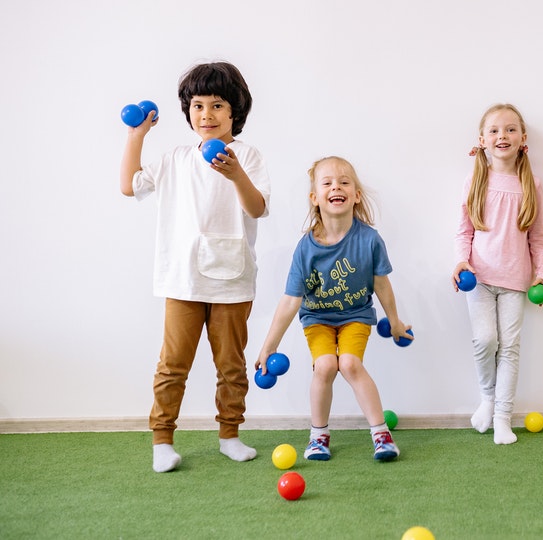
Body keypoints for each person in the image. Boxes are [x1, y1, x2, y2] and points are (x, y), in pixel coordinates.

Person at [119, 62, 270, 472]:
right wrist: (137, 135)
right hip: (182, 280)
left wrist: (236, 174)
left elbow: (257, 208)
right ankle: (162, 441)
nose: (206, 114)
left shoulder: (247, 156)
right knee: (173, 365)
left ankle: (229, 436)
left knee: (231, 365)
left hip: (233, 280)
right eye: (198, 105)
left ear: (235, 111)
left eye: (217, 105)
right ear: (188, 111)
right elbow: (129, 185)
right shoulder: (175, 159)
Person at [257, 156, 410, 462]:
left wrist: (395, 322)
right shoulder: (306, 248)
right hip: (318, 319)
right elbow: (290, 301)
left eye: (344, 182)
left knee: (350, 364)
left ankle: (381, 435)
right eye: (327, 183)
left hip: (356, 316)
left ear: (356, 195)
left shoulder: (369, 240)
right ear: (315, 198)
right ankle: (318, 437)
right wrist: (268, 346)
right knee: (326, 366)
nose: (336, 187)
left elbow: (382, 285)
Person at [453, 104, 543, 445]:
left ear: (523, 138)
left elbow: (538, 237)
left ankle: (502, 418)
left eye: (510, 129)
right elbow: (463, 231)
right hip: (478, 278)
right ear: (482, 140)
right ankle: (488, 399)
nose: (502, 136)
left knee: (510, 347)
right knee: (485, 340)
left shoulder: (531, 184)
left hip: (515, 281)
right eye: (494, 130)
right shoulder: (475, 181)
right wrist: (460, 262)